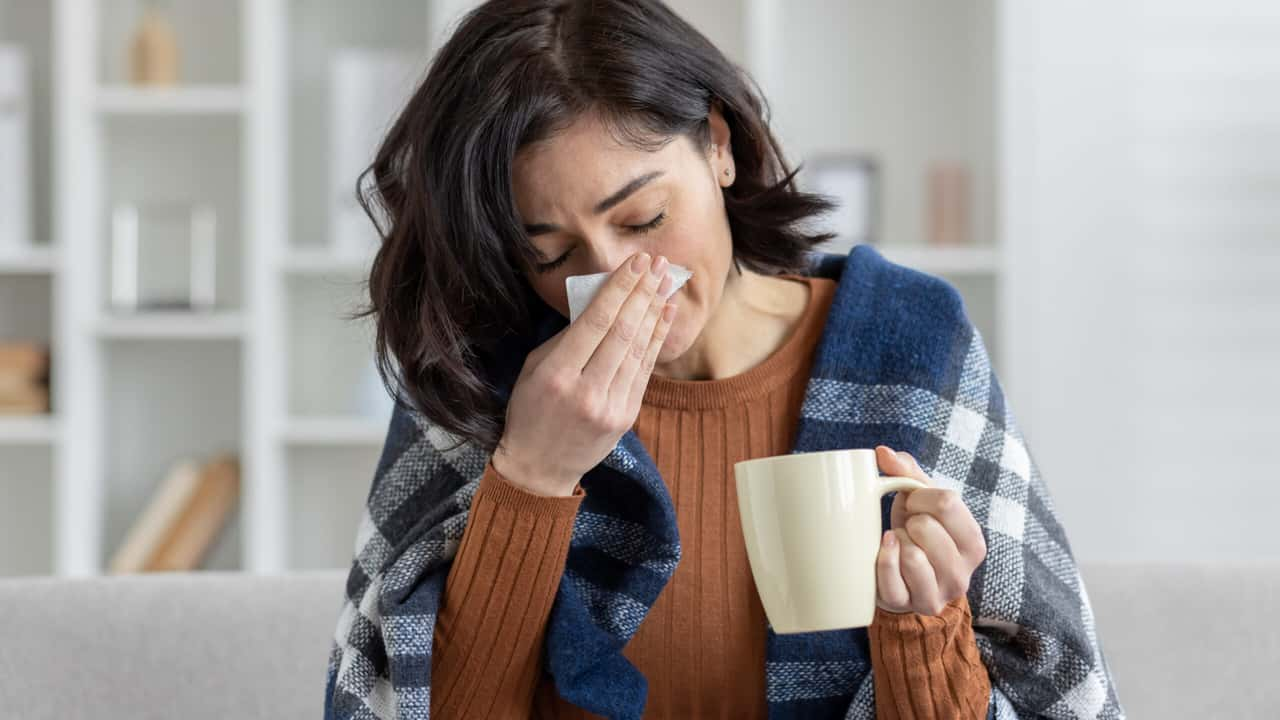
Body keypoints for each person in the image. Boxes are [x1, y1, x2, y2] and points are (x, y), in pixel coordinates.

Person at [323, 1, 1126, 719]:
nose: (611, 277)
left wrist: (923, 624)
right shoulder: (482, 372)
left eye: (643, 218)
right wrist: (530, 474)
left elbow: (1049, 691)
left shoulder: (909, 336)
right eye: (553, 251)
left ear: (717, 145)